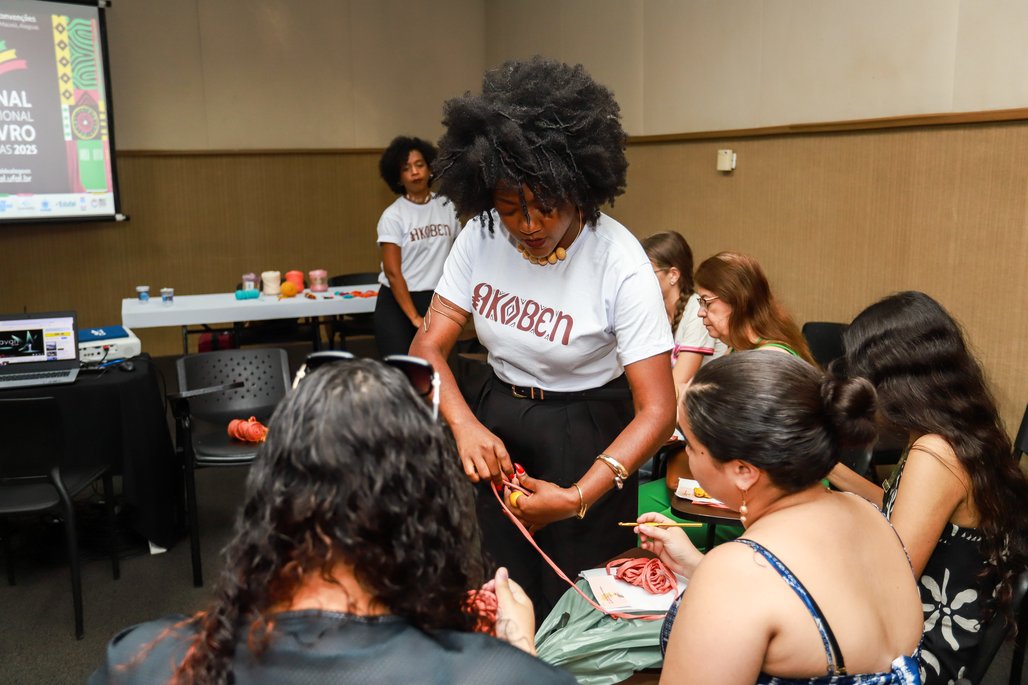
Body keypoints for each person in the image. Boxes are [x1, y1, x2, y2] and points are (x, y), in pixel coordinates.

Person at [90, 358, 574, 685]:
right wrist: (518, 653)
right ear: (429, 512)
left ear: (272, 503)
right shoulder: (504, 675)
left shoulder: (142, 660)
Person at [410, 57, 677, 615]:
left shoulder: (620, 262)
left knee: (578, 601)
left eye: (545, 207)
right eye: (510, 209)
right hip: (498, 421)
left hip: (590, 433)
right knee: (499, 586)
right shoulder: (479, 235)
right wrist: (465, 427)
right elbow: (427, 347)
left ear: (578, 188)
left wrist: (578, 496)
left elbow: (658, 412)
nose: (528, 225)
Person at [637, 351, 924, 685]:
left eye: (690, 444)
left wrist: (716, 575)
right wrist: (695, 565)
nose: (686, 454)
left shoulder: (737, 573)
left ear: (743, 470)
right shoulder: (868, 513)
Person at [826, 291, 1028, 685]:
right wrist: (826, 468)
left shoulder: (935, 453)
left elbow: (891, 583)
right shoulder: (946, 432)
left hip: (919, 653)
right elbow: (898, 505)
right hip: (921, 629)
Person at [373, 135, 462, 357]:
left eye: (419, 165)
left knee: (437, 368)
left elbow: (459, 254)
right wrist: (414, 317)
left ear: (430, 169)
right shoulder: (393, 216)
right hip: (399, 302)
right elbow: (393, 273)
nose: (414, 172)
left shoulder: (447, 206)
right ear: (398, 178)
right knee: (402, 371)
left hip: (436, 299)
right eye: (406, 168)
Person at [693, 251, 814, 364]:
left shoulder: (769, 358)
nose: (700, 313)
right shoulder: (738, 348)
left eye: (706, 302)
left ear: (738, 301)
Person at [642, 231, 728, 389]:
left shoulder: (697, 312)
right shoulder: (655, 312)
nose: (639, 280)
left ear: (673, 275)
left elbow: (677, 384)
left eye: (647, 272)